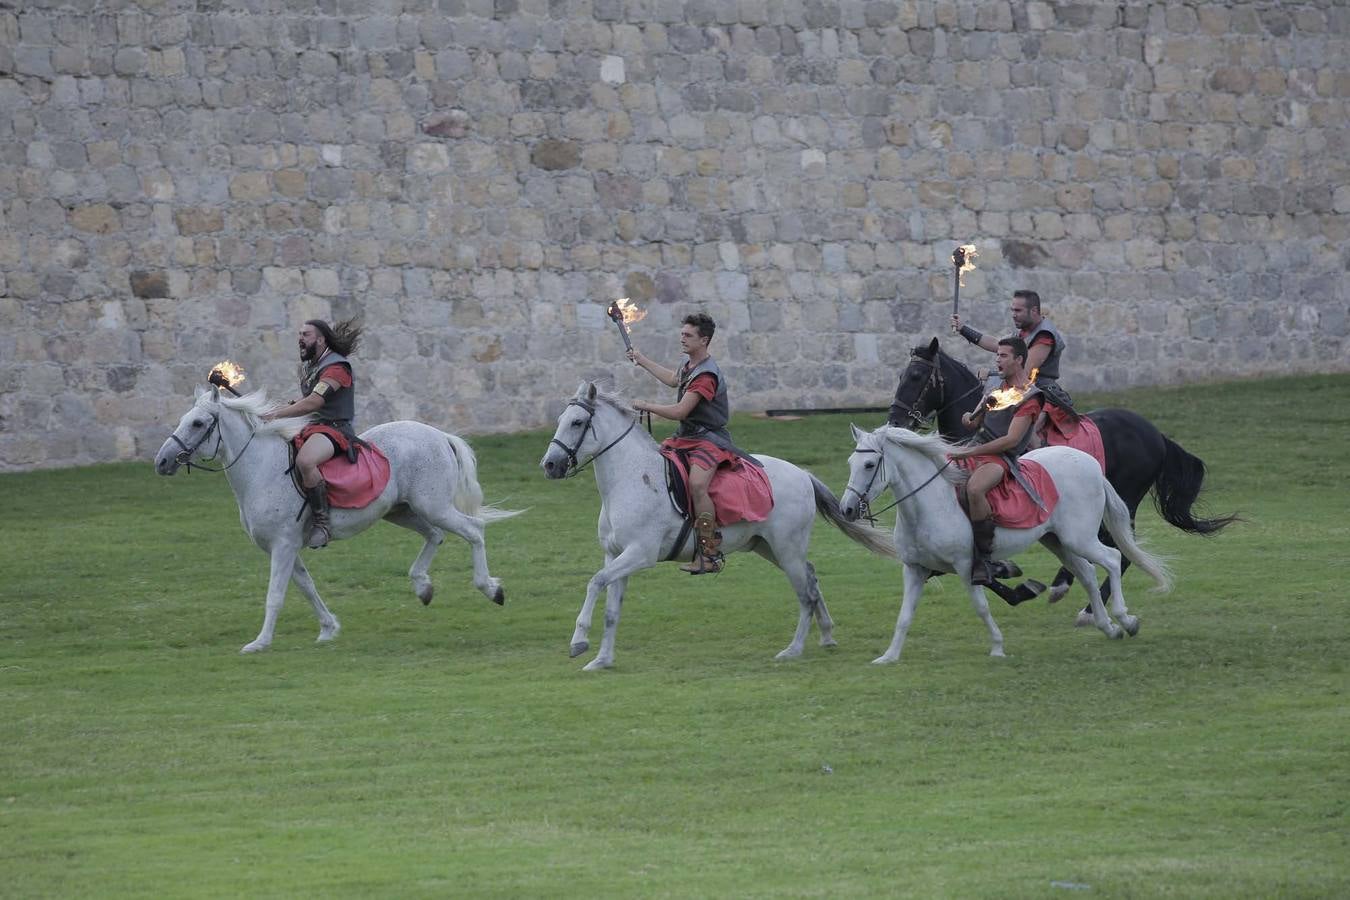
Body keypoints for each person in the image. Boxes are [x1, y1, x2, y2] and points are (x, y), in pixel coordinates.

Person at [628, 312, 753, 575]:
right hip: (686, 437)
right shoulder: (690, 366)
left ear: (703, 340)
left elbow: (680, 411)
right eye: (682, 333)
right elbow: (674, 380)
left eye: (688, 335)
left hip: (709, 440)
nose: (681, 338)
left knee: (697, 484)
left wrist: (645, 404)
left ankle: (708, 554)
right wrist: (641, 361)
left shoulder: (706, 375)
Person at [948, 337, 1044, 586]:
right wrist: (970, 418)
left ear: (1019, 360)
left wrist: (967, 454)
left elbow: (1011, 441)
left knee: (975, 488)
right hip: (975, 447)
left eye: (1003, 356)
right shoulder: (995, 388)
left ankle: (985, 559)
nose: (997, 360)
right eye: (997, 355)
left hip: (1000, 457)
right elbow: (974, 423)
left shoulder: (1029, 397)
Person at [264, 318, 363, 549]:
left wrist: (277, 415)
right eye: (299, 334)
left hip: (335, 429)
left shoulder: (337, 368)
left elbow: (315, 402)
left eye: (306, 335)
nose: (300, 339)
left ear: (320, 340)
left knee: (306, 461)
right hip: (313, 427)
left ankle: (322, 521)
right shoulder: (312, 366)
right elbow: (309, 401)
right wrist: (287, 406)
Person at [951, 289, 1077, 445]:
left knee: (1028, 437)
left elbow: (1024, 371)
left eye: (1018, 310)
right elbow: (997, 345)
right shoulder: (1023, 332)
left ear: (1034, 311)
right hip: (1017, 388)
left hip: (1041, 393)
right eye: (1012, 310)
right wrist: (964, 329)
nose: (1013, 314)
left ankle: (1035, 462)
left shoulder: (1045, 335)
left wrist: (991, 374)